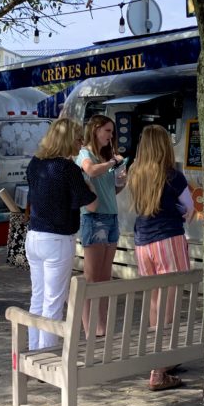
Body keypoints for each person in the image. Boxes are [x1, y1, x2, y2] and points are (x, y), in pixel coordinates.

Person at [127, 124, 194, 392]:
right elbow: (189, 209)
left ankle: (161, 357)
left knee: (155, 300)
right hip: (169, 239)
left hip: (143, 242)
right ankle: (159, 370)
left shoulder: (135, 173)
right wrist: (177, 210)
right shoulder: (173, 176)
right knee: (171, 300)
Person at [24, 118, 97, 349]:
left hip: (34, 236)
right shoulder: (68, 169)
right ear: (68, 140)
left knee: (38, 297)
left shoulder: (35, 163)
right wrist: (90, 186)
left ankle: (34, 351)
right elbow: (91, 204)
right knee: (53, 301)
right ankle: (46, 354)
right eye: (78, 139)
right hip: (58, 237)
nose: (81, 144)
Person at [76, 114, 125, 333]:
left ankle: (102, 327)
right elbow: (90, 170)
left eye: (112, 132)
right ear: (95, 130)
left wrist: (121, 181)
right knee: (92, 276)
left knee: (105, 277)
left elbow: (111, 190)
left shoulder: (106, 156)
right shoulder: (85, 153)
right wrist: (113, 162)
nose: (110, 136)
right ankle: (89, 327)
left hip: (111, 216)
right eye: (107, 131)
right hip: (93, 218)